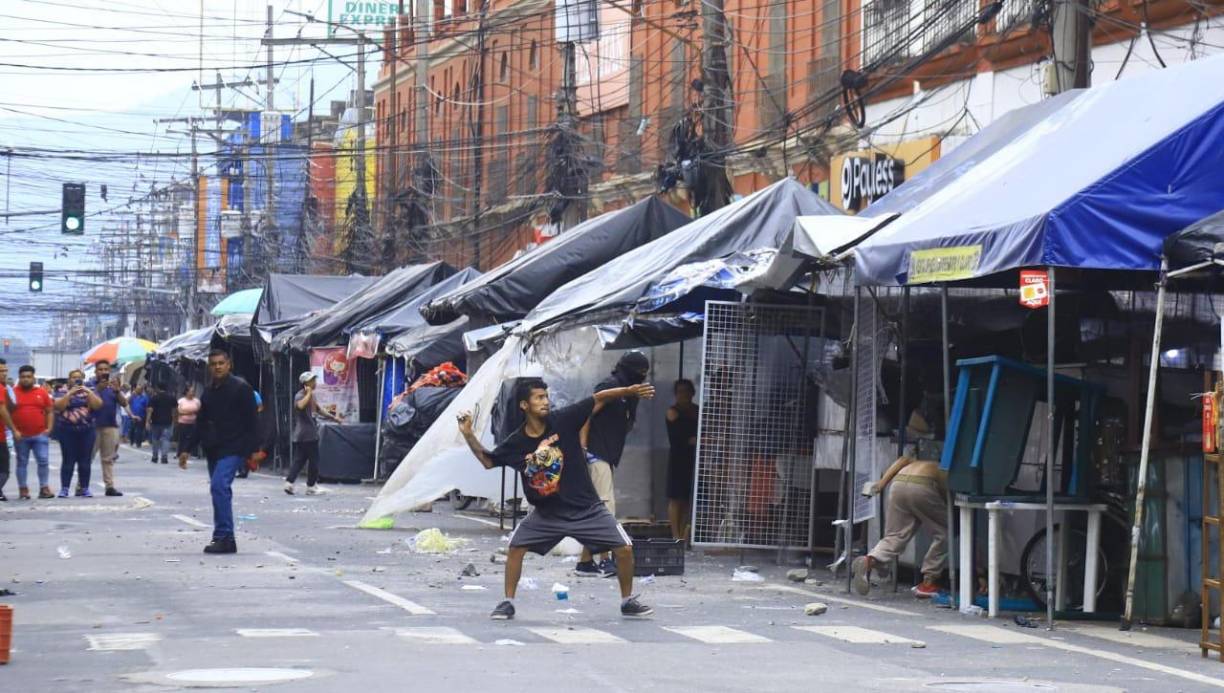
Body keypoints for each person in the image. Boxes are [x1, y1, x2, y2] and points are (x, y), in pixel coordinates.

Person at [457, 377, 656, 621]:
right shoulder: (517, 442)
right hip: (546, 514)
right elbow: (488, 461)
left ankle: (627, 602)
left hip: (587, 509)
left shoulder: (563, 420)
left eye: (546, 396)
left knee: (624, 548)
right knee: (515, 548)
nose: (545, 402)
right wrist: (468, 435)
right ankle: (507, 602)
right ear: (524, 405)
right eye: (538, 398)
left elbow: (599, 397)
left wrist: (629, 389)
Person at [575, 351, 651, 578]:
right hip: (595, 454)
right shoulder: (611, 386)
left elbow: (626, 423)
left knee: (597, 508)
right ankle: (605, 560)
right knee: (606, 509)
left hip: (607, 454)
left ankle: (585, 563)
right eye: (640, 373)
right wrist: (584, 448)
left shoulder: (631, 392)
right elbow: (586, 414)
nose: (642, 377)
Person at [179, 349, 259, 555]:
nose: (217, 367)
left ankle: (224, 536)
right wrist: (186, 449)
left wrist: (253, 452)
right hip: (213, 448)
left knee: (219, 486)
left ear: (229, 364)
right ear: (209, 367)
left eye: (221, 363)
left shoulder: (241, 388)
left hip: (234, 447)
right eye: (213, 364)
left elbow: (253, 422)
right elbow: (201, 422)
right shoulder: (209, 392)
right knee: (220, 491)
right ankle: (224, 537)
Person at [852, 455, 948, 599]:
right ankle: (928, 582)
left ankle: (869, 560)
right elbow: (947, 500)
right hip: (923, 485)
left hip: (898, 484)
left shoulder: (917, 459)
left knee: (895, 535)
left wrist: (881, 484)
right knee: (946, 532)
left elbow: (902, 460)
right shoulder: (945, 469)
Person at [285, 372, 341, 496]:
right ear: (306, 383)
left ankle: (289, 483)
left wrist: (334, 418)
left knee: (299, 460)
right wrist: (309, 393)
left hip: (307, 434)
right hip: (307, 434)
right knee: (314, 460)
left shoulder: (311, 396)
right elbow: (300, 406)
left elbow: (319, 410)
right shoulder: (300, 395)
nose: (315, 383)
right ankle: (311, 486)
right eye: (312, 381)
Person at [53, 368, 102, 497]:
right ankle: (64, 488)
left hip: (86, 430)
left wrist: (87, 392)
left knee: (85, 461)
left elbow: (97, 405)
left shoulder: (90, 391)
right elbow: (58, 406)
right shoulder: (61, 391)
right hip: (67, 430)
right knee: (68, 460)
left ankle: (84, 488)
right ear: (69, 379)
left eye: (78, 377)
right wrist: (69, 394)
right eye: (73, 377)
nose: (76, 379)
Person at [11, 365, 54, 499]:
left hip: (40, 434)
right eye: (23, 377)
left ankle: (44, 488)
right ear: (19, 378)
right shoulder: (12, 392)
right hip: (20, 436)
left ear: (33, 378)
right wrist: (13, 430)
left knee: (43, 461)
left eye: (28, 377)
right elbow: (5, 412)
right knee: (22, 462)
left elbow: (50, 411)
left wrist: (49, 429)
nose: (26, 379)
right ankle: (23, 489)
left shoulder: (41, 392)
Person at [665, 379, 699, 542]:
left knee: (687, 498)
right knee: (675, 497)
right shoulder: (673, 411)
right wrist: (691, 440)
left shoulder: (697, 411)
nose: (683, 395)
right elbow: (678, 436)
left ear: (692, 393)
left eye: (687, 391)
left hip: (694, 459)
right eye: (680, 391)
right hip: (678, 458)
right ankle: (675, 535)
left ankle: (683, 534)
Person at [91, 361, 128, 497]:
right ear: (95, 372)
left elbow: (124, 403)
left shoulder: (113, 387)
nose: (103, 372)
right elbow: (87, 403)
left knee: (108, 459)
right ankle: (81, 486)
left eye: (106, 369)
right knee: (88, 458)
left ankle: (109, 486)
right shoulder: (90, 386)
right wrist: (98, 389)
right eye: (100, 369)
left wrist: (117, 391)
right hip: (92, 427)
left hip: (110, 427)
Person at [145, 385, 177, 465]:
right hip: (168, 422)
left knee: (155, 439)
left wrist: (147, 421)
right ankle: (164, 457)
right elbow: (175, 410)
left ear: (158, 388)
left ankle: (155, 457)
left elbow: (150, 410)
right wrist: (174, 420)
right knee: (166, 439)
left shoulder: (154, 398)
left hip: (155, 422)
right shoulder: (172, 398)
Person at [0, 359, 17, 501]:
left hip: (3, 435)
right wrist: (14, 429)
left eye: (5, 371)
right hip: (2, 435)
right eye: (1, 371)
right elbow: (3, 410)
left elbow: (12, 408)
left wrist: (6, 391)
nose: (4, 374)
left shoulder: (6, 389)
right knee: (4, 469)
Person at [176, 384, 200, 460]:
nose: (192, 393)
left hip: (193, 422)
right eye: (191, 391)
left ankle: (193, 453)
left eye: (193, 391)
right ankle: (180, 453)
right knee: (182, 438)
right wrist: (190, 413)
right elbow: (179, 412)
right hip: (183, 422)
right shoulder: (181, 401)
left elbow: (199, 411)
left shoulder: (197, 401)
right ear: (186, 392)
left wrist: (189, 412)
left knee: (193, 438)